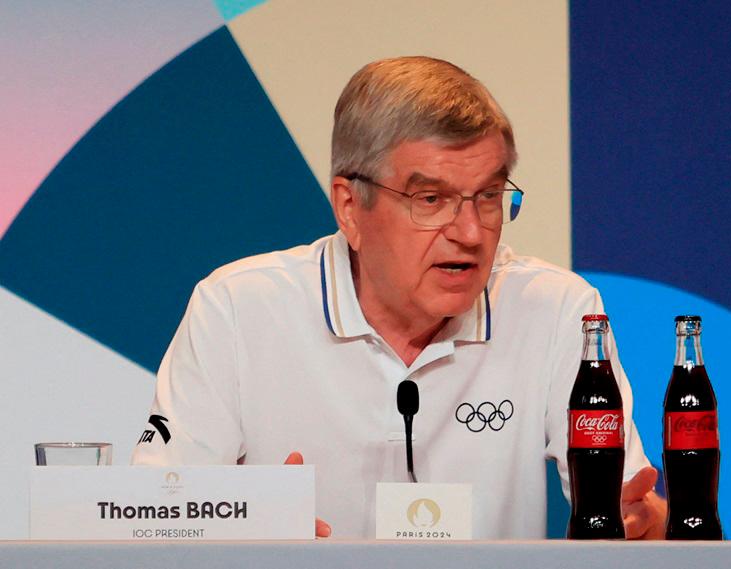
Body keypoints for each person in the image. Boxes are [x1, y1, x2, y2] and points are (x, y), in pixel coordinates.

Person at [132, 56, 666, 539]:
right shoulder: (237, 309)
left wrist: (647, 526)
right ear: (349, 207)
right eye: (431, 199)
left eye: (487, 197)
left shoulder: (556, 310)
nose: (472, 233)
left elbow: (628, 508)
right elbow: (153, 521)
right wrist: (246, 528)